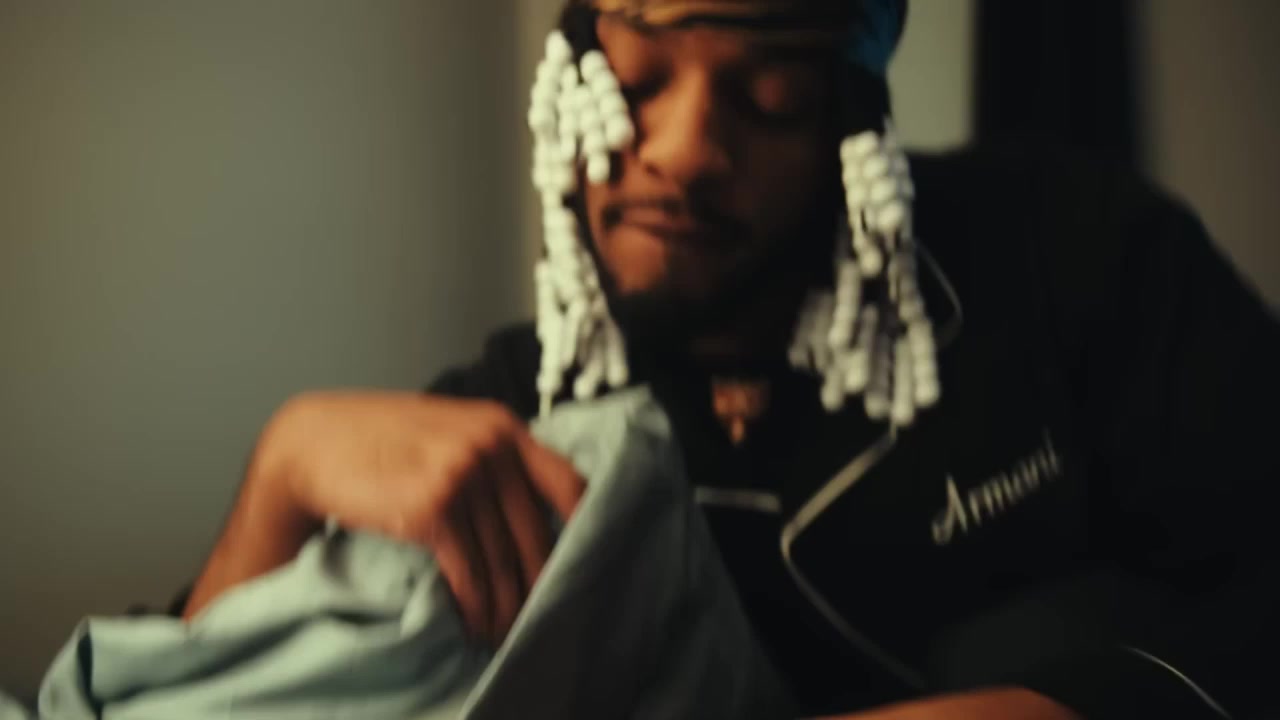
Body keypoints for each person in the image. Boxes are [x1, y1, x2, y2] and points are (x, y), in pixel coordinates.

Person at [179, 1, 1280, 718]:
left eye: (769, 99)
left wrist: (1069, 702)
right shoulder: (506, 415)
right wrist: (282, 474)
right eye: (638, 81)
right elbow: (184, 688)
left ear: (848, 115)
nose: (687, 152)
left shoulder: (1076, 261)